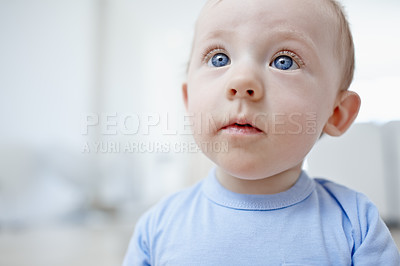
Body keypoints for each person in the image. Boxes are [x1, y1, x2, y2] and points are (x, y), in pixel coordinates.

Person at [123, 0, 400, 264]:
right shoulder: (158, 227)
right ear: (188, 99)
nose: (242, 81)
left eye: (284, 61)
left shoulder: (356, 226)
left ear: (336, 113)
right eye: (219, 59)